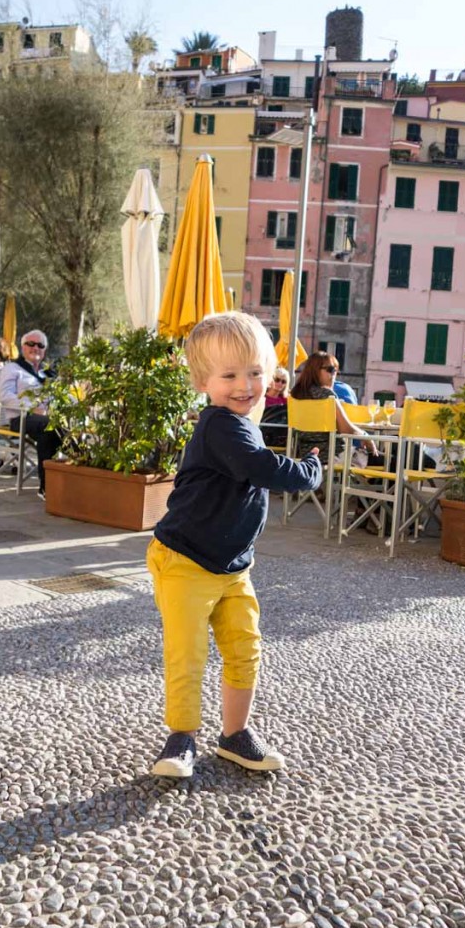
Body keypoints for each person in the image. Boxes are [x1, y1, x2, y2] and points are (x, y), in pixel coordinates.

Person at [146, 311, 322, 779]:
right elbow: (263, 469)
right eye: (229, 375)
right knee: (188, 654)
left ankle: (234, 735)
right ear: (203, 381)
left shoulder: (242, 422)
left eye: (255, 372)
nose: (244, 384)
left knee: (244, 648)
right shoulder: (220, 425)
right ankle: (181, 737)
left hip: (231, 566)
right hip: (184, 559)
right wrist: (309, 469)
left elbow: (254, 464)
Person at [0, 329, 61, 496]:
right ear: (22, 346)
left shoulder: (48, 373)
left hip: (48, 417)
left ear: (45, 349)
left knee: (66, 430)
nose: (35, 348)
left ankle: (68, 479)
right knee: (49, 428)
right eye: (31, 344)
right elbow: (5, 396)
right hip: (21, 416)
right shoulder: (12, 368)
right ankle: (47, 486)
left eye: (40, 345)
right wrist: (32, 408)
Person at [290, 351, 377, 464]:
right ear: (315, 371)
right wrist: (366, 437)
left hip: (305, 455)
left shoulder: (295, 396)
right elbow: (346, 429)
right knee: (391, 461)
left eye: (335, 370)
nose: (334, 374)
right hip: (334, 455)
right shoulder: (326, 395)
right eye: (330, 370)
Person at [259, 365, 289, 446]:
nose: (280, 383)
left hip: (281, 436)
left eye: (283, 381)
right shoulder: (261, 397)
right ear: (270, 380)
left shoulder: (287, 401)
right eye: (277, 380)